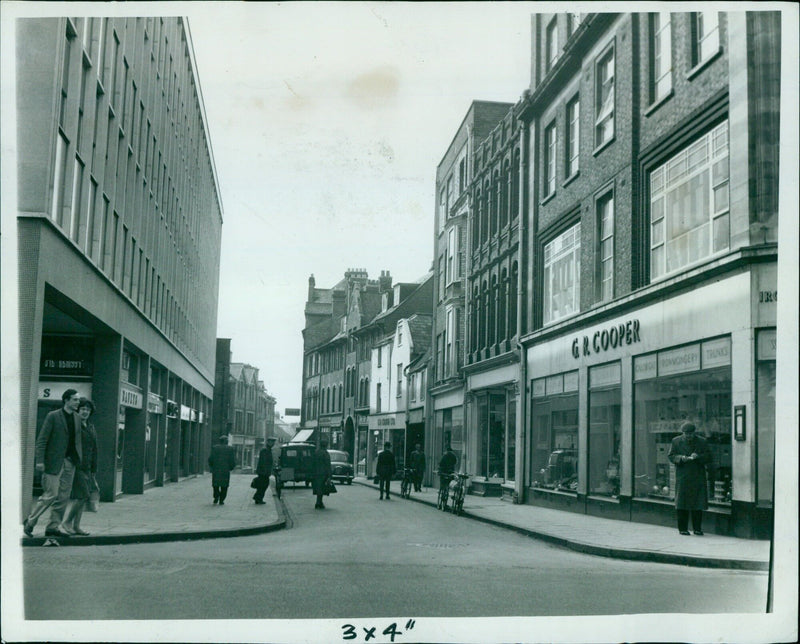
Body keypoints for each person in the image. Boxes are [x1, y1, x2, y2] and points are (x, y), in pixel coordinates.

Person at [23, 388, 82, 538]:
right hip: (53, 463)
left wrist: (77, 459)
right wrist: (40, 461)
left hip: (70, 462)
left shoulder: (76, 418)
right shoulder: (53, 416)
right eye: (75, 399)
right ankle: (30, 522)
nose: (78, 402)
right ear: (66, 400)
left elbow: (76, 441)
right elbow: (42, 440)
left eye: (78, 400)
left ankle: (53, 527)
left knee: (63, 497)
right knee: (51, 494)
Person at [60, 398, 98, 536]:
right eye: (83, 409)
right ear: (78, 410)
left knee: (82, 496)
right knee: (82, 495)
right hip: (76, 465)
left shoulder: (90, 426)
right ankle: (67, 522)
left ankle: (76, 526)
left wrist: (94, 468)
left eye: (88, 410)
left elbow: (94, 448)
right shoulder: (74, 426)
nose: (85, 412)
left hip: (87, 467)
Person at [668, 421, 712, 535]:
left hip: (697, 475)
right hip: (683, 475)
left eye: (691, 434)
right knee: (682, 503)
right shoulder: (676, 441)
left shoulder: (702, 441)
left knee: (698, 503)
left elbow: (708, 456)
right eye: (686, 434)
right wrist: (681, 458)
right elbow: (671, 456)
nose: (688, 436)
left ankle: (697, 529)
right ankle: (682, 529)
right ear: (682, 433)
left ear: (694, 433)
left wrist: (698, 457)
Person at [208, 435, 236, 505]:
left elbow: (210, 459)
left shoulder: (215, 448)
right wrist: (231, 467)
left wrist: (212, 466)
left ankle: (216, 496)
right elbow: (232, 460)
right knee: (224, 485)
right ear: (226, 441)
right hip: (225, 470)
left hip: (216, 469)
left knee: (216, 484)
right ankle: (222, 499)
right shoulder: (230, 449)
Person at [253, 437, 276, 504]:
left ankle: (258, 498)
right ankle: (258, 498)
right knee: (262, 485)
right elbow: (263, 462)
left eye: (273, 442)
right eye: (272, 442)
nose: (273, 444)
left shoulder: (268, 449)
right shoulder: (265, 450)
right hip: (263, 472)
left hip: (264, 471)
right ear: (268, 442)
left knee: (263, 485)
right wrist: (265, 471)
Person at [312, 436, 332, 509]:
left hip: (316, 473)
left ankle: (319, 502)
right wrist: (329, 476)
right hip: (323, 474)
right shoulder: (325, 453)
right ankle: (318, 502)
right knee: (322, 488)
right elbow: (327, 465)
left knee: (318, 488)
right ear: (325, 445)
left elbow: (313, 463)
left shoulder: (316, 452)